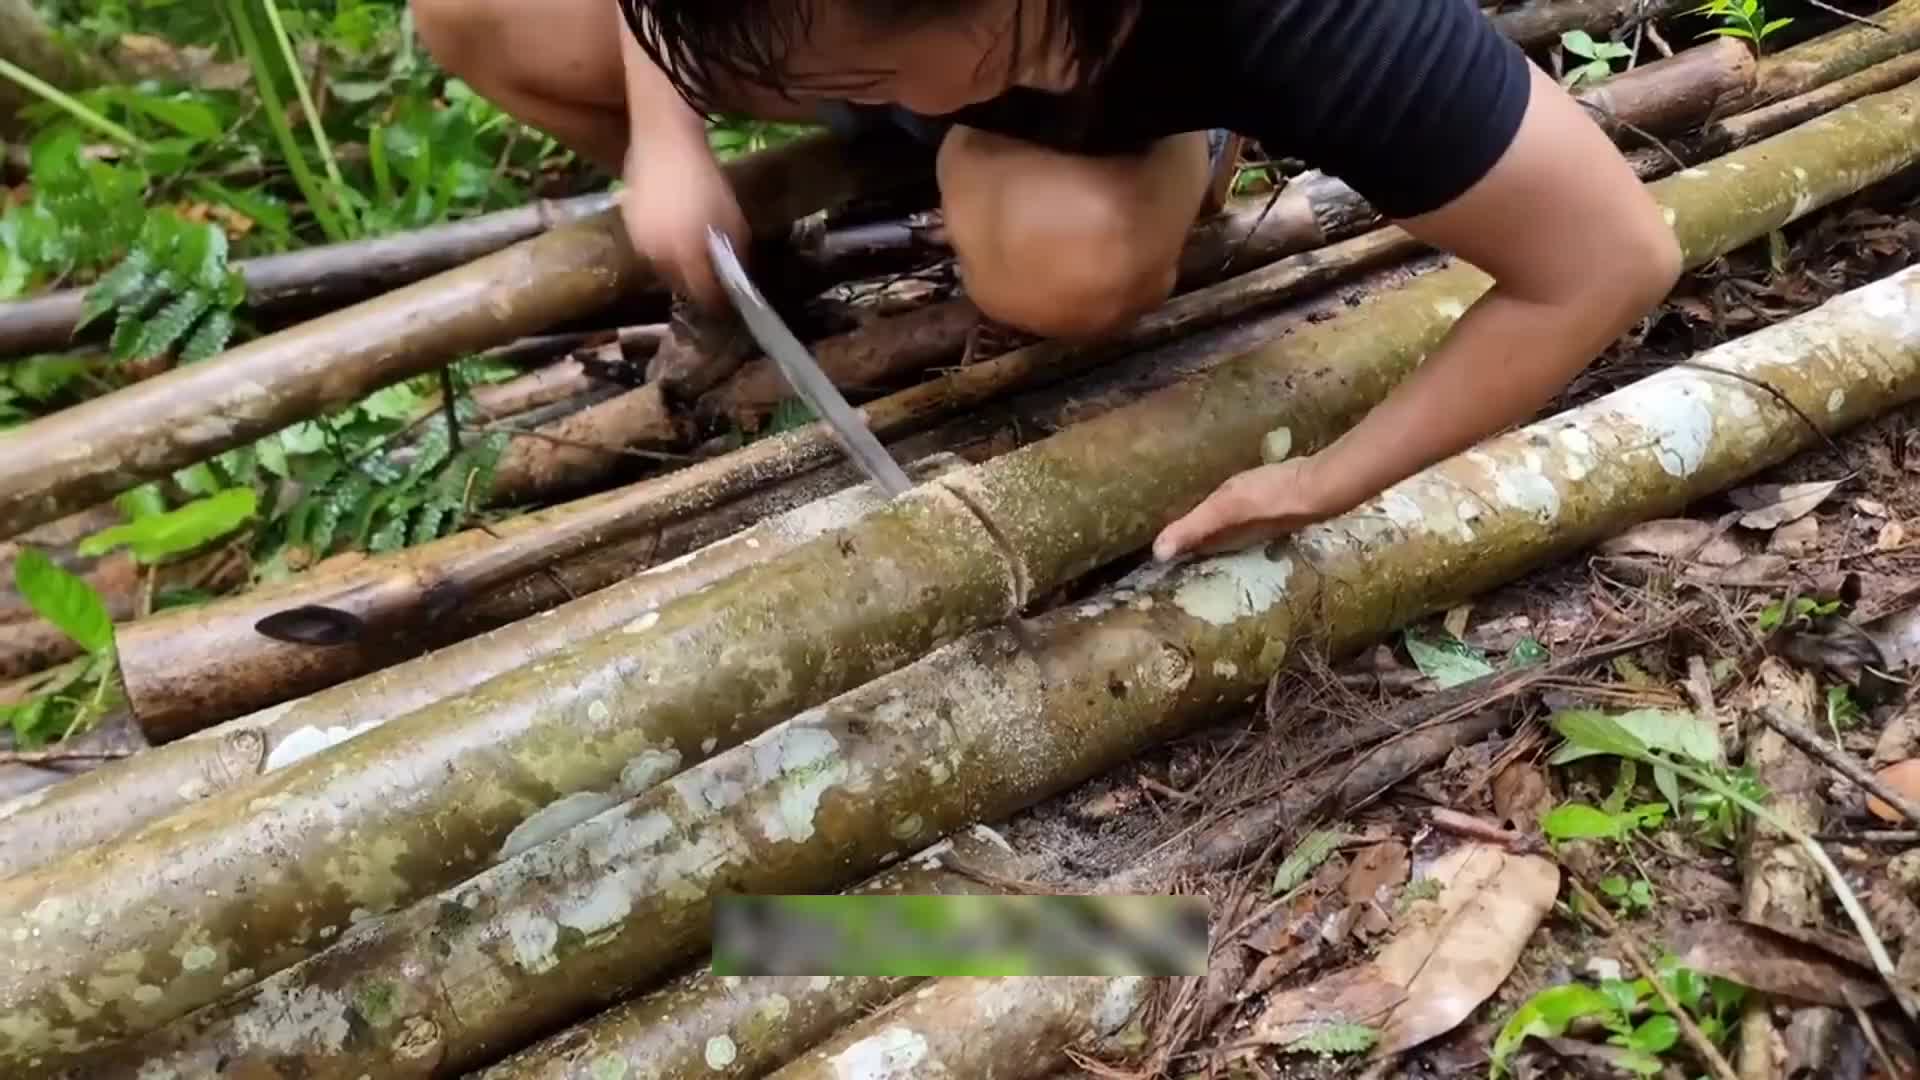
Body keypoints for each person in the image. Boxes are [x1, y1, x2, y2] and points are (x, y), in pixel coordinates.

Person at [411, 0, 1682, 563]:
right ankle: (794, 243)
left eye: (838, 84)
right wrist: (670, 131)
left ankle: (1182, 157)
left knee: (1057, 270)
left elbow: (1610, 257)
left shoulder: (1302, 17)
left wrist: (1323, 482)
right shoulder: (831, 34)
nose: (796, 106)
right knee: (472, 9)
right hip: (939, 65)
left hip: (1097, 121)